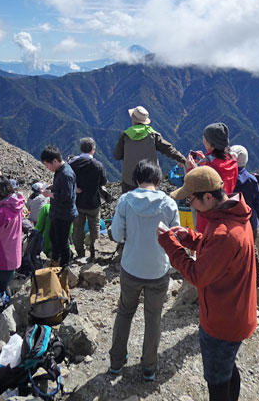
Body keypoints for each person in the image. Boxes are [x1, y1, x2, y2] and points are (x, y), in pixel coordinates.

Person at [157, 166, 256, 401]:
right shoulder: (233, 216)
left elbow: (197, 275)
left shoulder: (224, 232)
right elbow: (217, 251)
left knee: (217, 379)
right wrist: (191, 238)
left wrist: (169, 244)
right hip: (236, 312)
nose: (191, 205)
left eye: (192, 199)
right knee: (228, 368)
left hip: (222, 321)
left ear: (208, 197)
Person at [109, 160, 180, 382]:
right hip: (158, 270)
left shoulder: (125, 201)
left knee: (125, 312)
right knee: (153, 318)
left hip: (131, 267)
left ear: (137, 180)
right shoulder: (169, 204)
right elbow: (175, 238)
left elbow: (116, 235)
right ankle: (149, 366)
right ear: (158, 181)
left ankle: (116, 363)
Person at [113, 106, 186, 195]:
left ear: (133, 118)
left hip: (129, 181)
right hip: (150, 180)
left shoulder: (125, 136)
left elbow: (117, 155)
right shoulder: (153, 136)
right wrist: (184, 160)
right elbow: (169, 149)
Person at [186, 123, 238, 233]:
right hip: (227, 211)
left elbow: (194, 189)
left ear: (211, 142)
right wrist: (205, 161)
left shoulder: (209, 167)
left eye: (205, 137)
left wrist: (190, 169)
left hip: (208, 216)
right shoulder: (233, 160)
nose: (203, 139)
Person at [70, 137, 108, 261]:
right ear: (93, 150)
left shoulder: (72, 164)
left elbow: (68, 180)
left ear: (81, 149)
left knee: (78, 228)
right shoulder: (98, 165)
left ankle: (80, 253)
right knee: (95, 227)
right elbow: (103, 182)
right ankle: (94, 253)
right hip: (93, 202)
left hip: (78, 202)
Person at [40, 145, 78, 268]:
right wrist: (53, 186)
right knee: (53, 236)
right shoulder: (60, 170)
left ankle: (64, 265)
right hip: (57, 212)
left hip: (64, 214)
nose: (46, 167)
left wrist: (49, 194)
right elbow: (63, 189)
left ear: (55, 161)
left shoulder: (66, 174)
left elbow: (67, 197)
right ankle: (55, 259)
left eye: (47, 164)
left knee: (62, 242)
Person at [230, 145, 259, 235]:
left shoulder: (224, 178)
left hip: (229, 223)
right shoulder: (252, 180)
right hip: (249, 223)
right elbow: (258, 203)